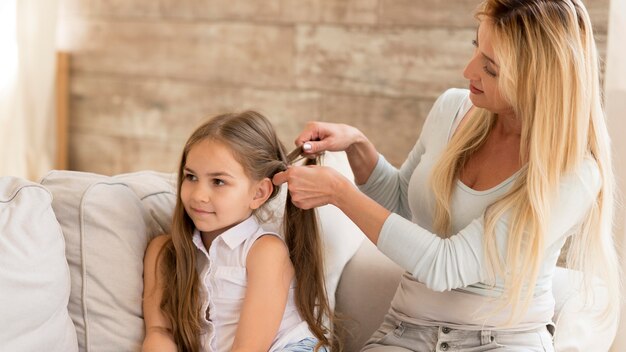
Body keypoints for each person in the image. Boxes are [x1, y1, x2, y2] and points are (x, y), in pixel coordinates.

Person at [272, 0, 620, 350]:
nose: (469, 71)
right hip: (406, 331)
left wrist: (341, 194)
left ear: (538, 81)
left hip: (501, 342)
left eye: (491, 68)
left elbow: (446, 266)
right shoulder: (453, 109)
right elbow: (404, 205)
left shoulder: (573, 173)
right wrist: (357, 146)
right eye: (476, 48)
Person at [142, 111, 333, 352]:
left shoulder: (264, 252)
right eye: (191, 177)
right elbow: (159, 332)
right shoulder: (163, 252)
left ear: (258, 193)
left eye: (218, 181)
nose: (199, 195)